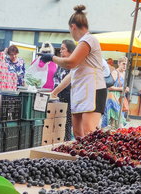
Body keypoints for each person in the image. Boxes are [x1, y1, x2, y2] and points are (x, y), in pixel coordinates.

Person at [40, 5, 107, 138]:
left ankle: (95, 158)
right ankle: (81, 158)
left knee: (89, 132)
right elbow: (72, 74)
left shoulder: (89, 40)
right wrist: (55, 92)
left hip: (94, 91)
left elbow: (70, 63)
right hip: (81, 92)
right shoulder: (82, 44)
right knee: (77, 133)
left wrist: (52, 57)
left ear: (73, 27)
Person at [51, 40, 76, 141]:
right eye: (60, 49)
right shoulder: (61, 64)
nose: (60, 51)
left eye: (63, 49)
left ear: (70, 50)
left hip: (69, 99)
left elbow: (68, 82)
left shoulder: (72, 65)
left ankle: (66, 143)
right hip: (58, 98)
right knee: (58, 124)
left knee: (66, 124)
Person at [103, 56, 129, 128]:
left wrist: (126, 89)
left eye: (126, 64)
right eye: (123, 64)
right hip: (113, 97)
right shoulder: (115, 73)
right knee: (117, 119)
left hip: (120, 98)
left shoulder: (124, 73)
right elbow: (109, 87)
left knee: (117, 120)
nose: (125, 66)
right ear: (119, 63)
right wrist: (122, 89)